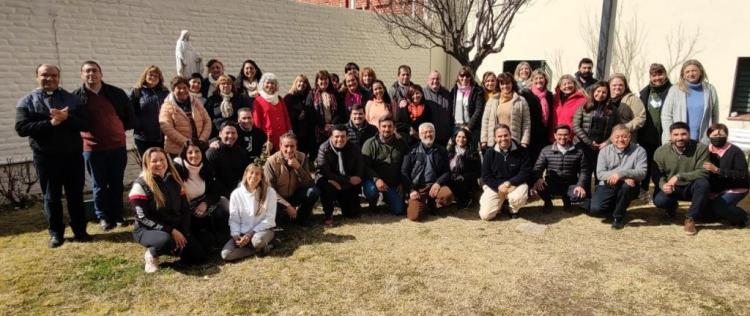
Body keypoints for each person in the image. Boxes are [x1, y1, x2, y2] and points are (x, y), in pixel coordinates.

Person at [16, 64, 91, 247]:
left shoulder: (72, 99)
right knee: (51, 196)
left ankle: (80, 230)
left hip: (72, 156)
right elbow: (22, 128)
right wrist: (50, 123)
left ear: (59, 77)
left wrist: (67, 119)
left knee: (75, 195)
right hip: (46, 158)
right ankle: (56, 233)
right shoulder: (26, 101)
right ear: (37, 77)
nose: (49, 79)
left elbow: (86, 124)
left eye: (53, 75)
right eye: (44, 75)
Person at [72, 60, 134, 231]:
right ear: (82, 74)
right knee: (99, 184)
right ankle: (103, 217)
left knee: (116, 182)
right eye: (87, 71)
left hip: (117, 146)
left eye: (94, 71)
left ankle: (118, 215)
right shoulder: (76, 97)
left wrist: (120, 130)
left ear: (101, 73)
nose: (91, 74)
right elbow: (74, 122)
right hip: (92, 148)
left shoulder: (115, 93)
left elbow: (129, 114)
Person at [130, 147, 207, 273]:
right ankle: (152, 254)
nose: (159, 164)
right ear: (147, 164)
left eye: (162, 160)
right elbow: (142, 218)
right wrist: (171, 231)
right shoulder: (140, 185)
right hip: (148, 229)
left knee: (198, 257)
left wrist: (184, 232)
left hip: (173, 226)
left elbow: (185, 209)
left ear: (167, 161)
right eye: (154, 161)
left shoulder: (175, 179)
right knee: (167, 241)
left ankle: (175, 247)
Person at [653, 122, 710, 235]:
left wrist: (679, 176)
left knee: (703, 184)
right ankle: (671, 207)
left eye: (684, 134)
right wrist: (663, 185)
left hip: (691, 186)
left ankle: (691, 218)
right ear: (670, 136)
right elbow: (656, 173)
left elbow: (704, 172)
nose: (680, 138)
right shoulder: (661, 151)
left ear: (689, 134)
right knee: (660, 200)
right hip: (673, 187)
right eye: (676, 134)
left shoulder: (701, 149)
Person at [173, 141, 229, 252]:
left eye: (197, 151)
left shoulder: (206, 167)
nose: (194, 155)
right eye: (190, 152)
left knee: (219, 212)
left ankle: (223, 239)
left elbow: (216, 192)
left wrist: (205, 203)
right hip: (184, 210)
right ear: (184, 154)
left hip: (201, 205)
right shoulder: (177, 169)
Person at [589, 124, 647, 229]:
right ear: (611, 138)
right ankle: (615, 207)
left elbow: (642, 173)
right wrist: (622, 175)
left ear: (630, 137)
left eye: (624, 136)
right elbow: (600, 174)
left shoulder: (639, 151)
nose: (621, 139)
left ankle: (618, 217)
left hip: (630, 186)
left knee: (626, 187)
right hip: (608, 184)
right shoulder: (604, 151)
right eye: (617, 137)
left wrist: (621, 174)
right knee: (596, 209)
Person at [221, 163, 277, 261]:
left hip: (262, 230)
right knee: (226, 255)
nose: (254, 176)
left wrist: (250, 234)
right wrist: (236, 235)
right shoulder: (236, 194)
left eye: (257, 174)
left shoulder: (270, 192)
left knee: (257, 241)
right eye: (251, 173)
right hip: (243, 233)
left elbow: (270, 218)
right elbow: (234, 219)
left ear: (261, 177)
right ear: (246, 174)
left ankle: (264, 243)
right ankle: (259, 249)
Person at [264, 132, 319, 226]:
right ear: (280, 146)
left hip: (294, 195)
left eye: (292, 146)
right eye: (286, 146)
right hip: (278, 199)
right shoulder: (271, 162)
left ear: (296, 146)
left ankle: (301, 218)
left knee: (313, 192)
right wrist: (287, 205)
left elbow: (309, 183)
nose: (289, 150)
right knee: (281, 223)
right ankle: (285, 217)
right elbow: (270, 191)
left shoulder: (302, 157)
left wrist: (298, 168)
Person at [402, 123, 454, 221]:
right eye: (425, 132)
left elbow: (447, 171)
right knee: (414, 216)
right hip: (418, 188)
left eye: (431, 132)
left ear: (434, 133)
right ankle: (424, 205)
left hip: (435, 186)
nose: (428, 134)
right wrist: (411, 190)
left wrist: (438, 183)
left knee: (447, 195)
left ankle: (432, 202)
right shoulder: (411, 151)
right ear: (420, 135)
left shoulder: (441, 150)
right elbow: (404, 172)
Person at [479, 125, 532, 220]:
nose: (503, 138)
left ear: (510, 135)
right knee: (485, 216)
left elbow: (525, 172)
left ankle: (512, 209)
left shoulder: (522, 151)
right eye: (499, 136)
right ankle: (501, 204)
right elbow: (486, 176)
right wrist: (498, 186)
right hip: (497, 186)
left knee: (517, 198)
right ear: (495, 138)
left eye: (505, 135)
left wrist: (510, 183)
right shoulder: (489, 153)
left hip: (516, 184)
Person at [315, 125, 365, 226]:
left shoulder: (354, 148)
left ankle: (341, 202)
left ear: (347, 137)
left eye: (343, 136)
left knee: (352, 214)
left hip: (347, 182)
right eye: (337, 136)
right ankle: (328, 215)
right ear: (331, 137)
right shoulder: (323, 149)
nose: (340, 139)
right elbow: (326, 172)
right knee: (326, 185)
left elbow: (360, 167)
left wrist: (357, 178)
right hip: (329, 180)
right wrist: (348, 179)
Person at [662, 59, 719, 144]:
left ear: (700, 72)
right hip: (678, 140)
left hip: (702, 140)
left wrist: (713, 134)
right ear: (683, 75)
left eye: (694, 71)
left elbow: (715, 115)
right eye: (687, 72)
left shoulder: (710, 89)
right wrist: (671, 135)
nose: (691, 74)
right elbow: (666, 115)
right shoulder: (675, 90)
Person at [532, 125, 589, 211]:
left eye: (565, 134)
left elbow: (584, 170)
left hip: (570, 184)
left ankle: (567, 201)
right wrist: (539, 178)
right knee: (538, 185)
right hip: (551, 183)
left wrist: (580, 185)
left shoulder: (579, 151)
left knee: (578, 196)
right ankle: (548, 202)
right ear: (555, 135)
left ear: (570, 135)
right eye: (560, 134)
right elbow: (538, 167)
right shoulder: (546, 150)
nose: (563, 137)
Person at [702, 124, 749, 227]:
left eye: (721, 135)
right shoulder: (705, 151)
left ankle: (743, 216)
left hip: (735, 188)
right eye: (714, 135)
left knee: (719, 208)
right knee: (704, 216)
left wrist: (718, 170)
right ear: (708, 136)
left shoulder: (735, 151)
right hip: (715, 190)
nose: (718, 137)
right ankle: (726, 211)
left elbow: (743, 174)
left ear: (727, 136)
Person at [361, 115, 409, 215]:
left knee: (399, 210)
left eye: (389, 126)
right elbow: (365, 166)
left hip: (392, 184)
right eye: (384, 126)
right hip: (374, 182)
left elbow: (406, 165)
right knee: (371, 190)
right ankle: (373, 204)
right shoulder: (369, 144)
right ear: (379, 127)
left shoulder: (402, 143)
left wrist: (402, 182)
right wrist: (376, 179)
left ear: (394, 128)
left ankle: (386, 198)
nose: (387, 129)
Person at [638, 63, 672, 197]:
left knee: (661, 166)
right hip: (647, 135)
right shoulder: (645, 92)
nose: (657, 78)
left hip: (664, 135)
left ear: (665, 74)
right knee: (646, 163)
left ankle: (659, 192)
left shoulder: (673, 91)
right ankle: (644, 189)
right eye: (654, 75)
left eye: (660, 74)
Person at [572, 81, 616, 183]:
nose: (600, 94)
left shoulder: (612, 110)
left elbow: (616, 129)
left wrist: (607, 142)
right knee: (584, 171)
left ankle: (599, 193)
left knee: (600, 171)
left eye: (604, 92)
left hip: (603, 146)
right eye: (598, 91)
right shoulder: (584, 106)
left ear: (608, 94)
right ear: (593, 91)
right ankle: (584, 194)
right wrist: (589, 142)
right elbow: (576, 126)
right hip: (584, 144)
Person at [159, 76, 212, 156]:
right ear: (173, 90)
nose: (182, 90)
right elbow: (167, 128)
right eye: (179, 88)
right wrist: (186, 142)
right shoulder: (167, 106)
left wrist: (202, 139)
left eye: (185, 87)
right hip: (177, 150)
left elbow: (207, 121)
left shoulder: (195, 102)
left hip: (199, 147)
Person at [479, 72, 530, 150]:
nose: (505, 86)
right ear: (499, 85)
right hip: (495, 141)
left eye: (508, 83)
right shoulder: (493, 100)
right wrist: (484, 140)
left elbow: (526, 123)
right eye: (502, 84)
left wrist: (524, 142)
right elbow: (485, 121)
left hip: (514, 142)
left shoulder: (521, 101)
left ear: (512, 84)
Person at [131, 65, 170, 156]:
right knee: (146, 164)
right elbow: (129, 112)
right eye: (150, 74)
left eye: (156, 76)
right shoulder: (137, 91)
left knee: (161, 162)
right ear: (145, 76)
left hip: (161, 136)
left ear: (160, 78)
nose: (153, 77)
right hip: (143, 137)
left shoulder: (165, 92)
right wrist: (137, 124)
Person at [206, 122, 251, 198]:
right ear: (220, 134)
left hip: (237, 192)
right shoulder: (213, 152)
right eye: (227, 133)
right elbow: (209, 179)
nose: (230, 136)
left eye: (233, 133)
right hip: (218, 196)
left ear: (237, 134)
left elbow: (245, 174)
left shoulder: (241, 152)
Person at [520, 69, 554, 163]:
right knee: (529, 160)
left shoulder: (550, 96)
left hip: (544, 134)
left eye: (541, 78)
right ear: (532, 80)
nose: (539, 80)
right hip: (530, 133)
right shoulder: (526, 94)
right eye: (536, 78)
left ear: (545, 80)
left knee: (541, 161)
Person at [252, 73, 292, 149]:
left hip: (283, 136)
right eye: (267, 83)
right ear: (263, 84)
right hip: (268, 138)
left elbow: (286, 116)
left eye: (272, 83)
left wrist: (289, 130)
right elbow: (257, 121)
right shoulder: (258, 100)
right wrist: (260, 138)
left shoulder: (280, 99)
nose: (270, 85)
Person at [306, 70, 343, 147]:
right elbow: (310, 112)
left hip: (334, 128)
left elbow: (340, 110)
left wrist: (332, 124)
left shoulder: (335, 93)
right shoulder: (312, 94)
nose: (324, 81)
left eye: (326, 79)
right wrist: (323, 125)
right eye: (321, 79)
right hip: (318, 131)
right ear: (317, 81)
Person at [446, 128, 481, 208]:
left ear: (468, 139)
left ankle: (467, 198)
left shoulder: (473, 153)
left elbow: (478, 172)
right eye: (459, 136)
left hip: (466, 182)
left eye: (464, 137)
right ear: (455, 138)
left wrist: (464, 177)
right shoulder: (450, 151)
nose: (461, 139)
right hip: (451, 179)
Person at [450, 67, 485, 145]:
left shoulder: (477, 90)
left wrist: (469, 126)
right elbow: (451, 108)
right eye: (462, 75)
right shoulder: (454, 90)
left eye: (467, 75)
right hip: (456, 127)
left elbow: (479, 109)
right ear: (458, 77)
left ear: (471, 77)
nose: (464, 78)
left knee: (470, 152)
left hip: (471, 128)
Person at [608, 73, 646, 142]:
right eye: (614, 85)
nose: (617, 87)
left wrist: (623, 128)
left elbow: (640, 118)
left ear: (625, 86)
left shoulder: (633, 99)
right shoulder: (605, 99)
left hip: (625, 139)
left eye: (621, 85)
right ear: (609, 86)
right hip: (607, 139)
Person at [551, 74, 587, 142]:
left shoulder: (582, 100)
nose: (567, 86)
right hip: (554, 138)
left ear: (574, 84)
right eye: (564, 84)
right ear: (560, 87)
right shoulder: (554, 99)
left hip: (571, 139)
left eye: (569, 83)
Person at [284, 74, 313, 155]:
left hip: (307, 133)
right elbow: (285, 115)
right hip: (295, 132)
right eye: (300, 81)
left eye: (304, 82)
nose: (302, 84)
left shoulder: (309, 97)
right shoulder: (288, 98)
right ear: (295, 83)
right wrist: (297, 115)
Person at [423, 70, 453, 145]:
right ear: (428, 80)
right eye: (432, 79)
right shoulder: (422, 93)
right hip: (428, 136)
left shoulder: (447, 94)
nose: (435, 81)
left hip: (444, 136)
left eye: (437, 79)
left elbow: (451, 113)